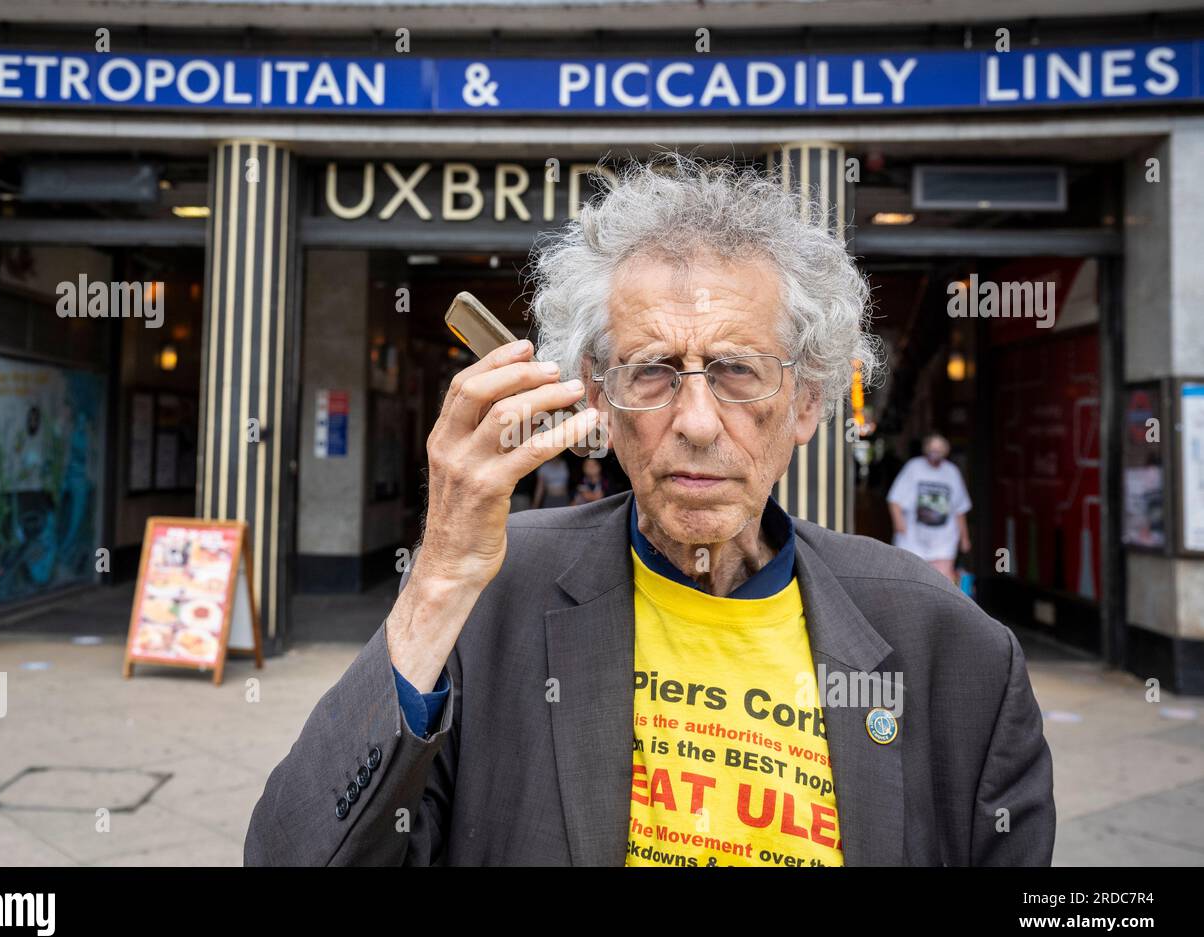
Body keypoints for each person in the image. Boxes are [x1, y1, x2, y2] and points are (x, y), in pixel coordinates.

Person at [245, 153, 1054, 867]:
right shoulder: (490, 602)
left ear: (808, 403)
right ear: (597, 396)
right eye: (653, 371)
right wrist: (437, 582)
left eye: (738, 371)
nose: (697, 423)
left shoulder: (954, 653)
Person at [886, 433, 972, 583]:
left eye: (939, 449)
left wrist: (964, 538)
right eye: (932, 448)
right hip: (913, 539)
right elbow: (894, 499)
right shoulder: (913, 467)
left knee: (943, 582)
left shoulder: (952, 472)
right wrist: (899, 525)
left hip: (944, 539)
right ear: (925, 449)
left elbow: (959, 508)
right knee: (910, 580)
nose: (935, 453)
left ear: (946, 451)